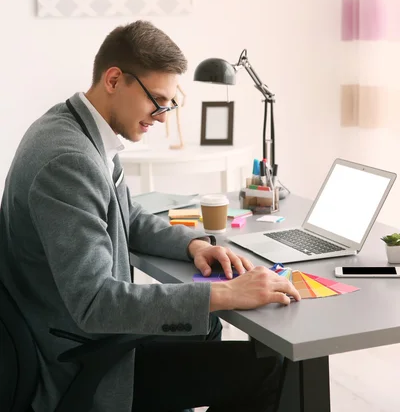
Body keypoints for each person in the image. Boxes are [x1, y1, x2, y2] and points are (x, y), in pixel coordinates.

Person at [0, 21, 300, 412]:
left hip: (74, 335)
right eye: (157, 100)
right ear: (114, 80)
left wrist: (192, 244)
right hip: (75, 358)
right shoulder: (68, 160)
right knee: (271, 368)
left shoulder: (79, 129)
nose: (161, 116)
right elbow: (96, 303)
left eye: (170, 103)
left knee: (204, 325)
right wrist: (225, 293)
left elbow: (124, 215)